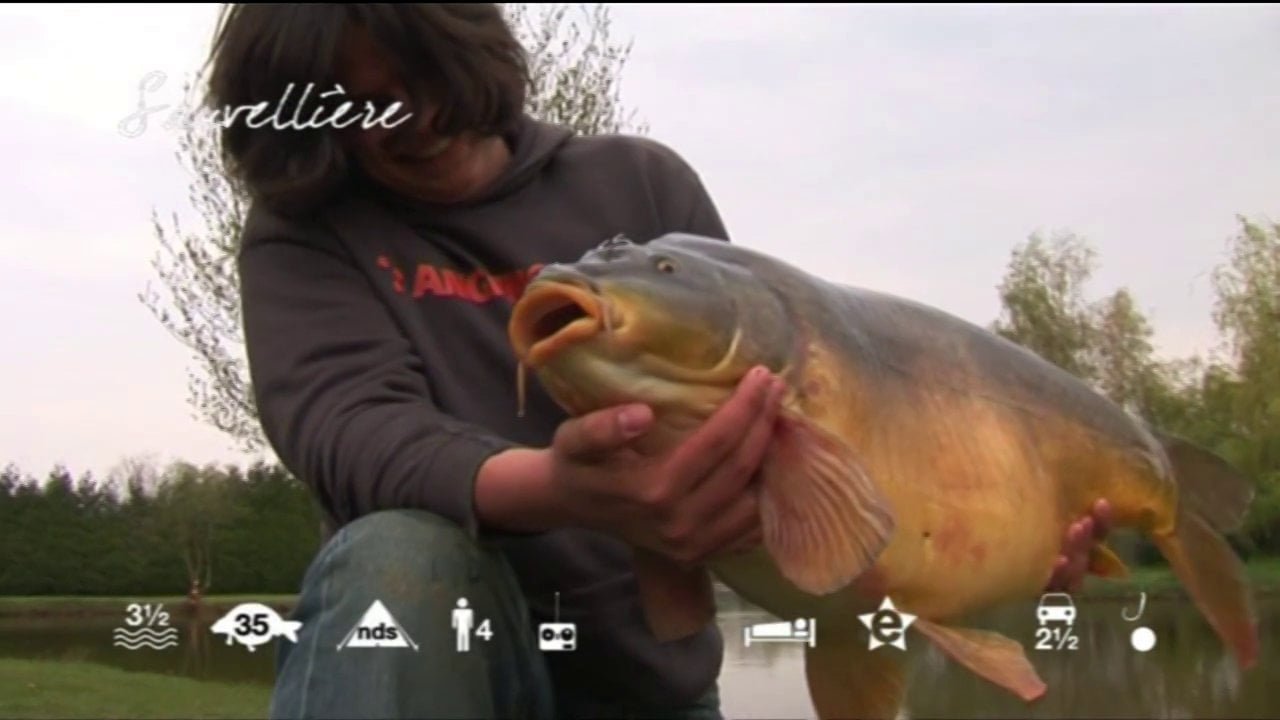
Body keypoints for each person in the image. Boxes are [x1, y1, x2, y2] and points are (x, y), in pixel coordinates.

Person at [205, 4, 1113, 719]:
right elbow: (352, 434)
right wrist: (565, 489)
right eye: (362, 103)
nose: (408, 118)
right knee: (393, 555)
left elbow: (773, 449)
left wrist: (980, 553)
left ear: (462, 41)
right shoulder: (305, 233)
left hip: (648, 690)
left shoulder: (639, 186)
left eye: (418, 77)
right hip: (441, 668)